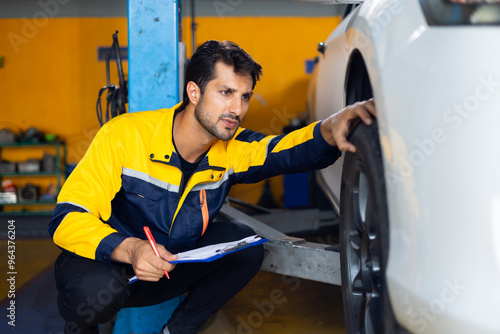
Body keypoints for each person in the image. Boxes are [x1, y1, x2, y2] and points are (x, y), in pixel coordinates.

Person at [48, 40, 376, 334]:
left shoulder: (231, 148)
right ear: (194, 92)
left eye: (245, 96)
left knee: (247, 247)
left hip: (168, 266)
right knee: (91, 293)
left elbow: (282, 151)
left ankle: (177, 330)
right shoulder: (124, 135)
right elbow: (67, 217)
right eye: (226, 92)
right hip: (112, 269)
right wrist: (131, 249)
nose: (237, 109)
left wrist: (332, 127)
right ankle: (84, 328)